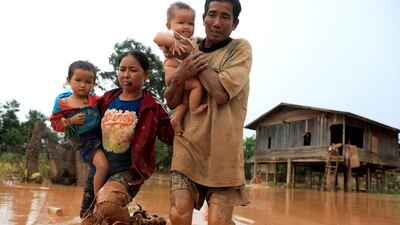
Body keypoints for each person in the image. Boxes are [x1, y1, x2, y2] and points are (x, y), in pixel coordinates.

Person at [165, 0, 252, 224]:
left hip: (224, 155)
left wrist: (192, 56)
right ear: (203, 18)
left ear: (235, 23)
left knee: (218, 222)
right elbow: (172, 100)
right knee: (178, 213)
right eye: (211, 15)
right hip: (188, 147)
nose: (216, 22)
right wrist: (181, 73)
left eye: (225, 17)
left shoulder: (239, 48)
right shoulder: (184, 46)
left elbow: (220, 92)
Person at [79, 50, 175, 222]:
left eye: (132, 70)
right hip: (98, 171)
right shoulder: (106, 100)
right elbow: (87, 126)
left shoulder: (153, 106)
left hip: (128, 172)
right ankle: (139, 220)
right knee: (88, 219)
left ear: (146, 74)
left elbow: (170, 137)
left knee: (108, 203)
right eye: (122, 69)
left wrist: (182, 115)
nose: (125, 74)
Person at [50, 60, 109, 196]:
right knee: (102, 165)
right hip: (85, 141)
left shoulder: (94, 100)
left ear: (93, 83)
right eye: (78, 80)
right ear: (69, 80)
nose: (83, 85)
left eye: (88, 82)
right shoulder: (63, 103)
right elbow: (55, 124)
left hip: (102, 136)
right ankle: (98, 200)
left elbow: (109, 104)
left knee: (110, 164)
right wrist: (70, 121)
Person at [154, 1, 207, 135]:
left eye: (191, 24)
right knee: (196, 86)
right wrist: (172, 42)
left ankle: (176, 119)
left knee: (184, 100)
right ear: (169, 25)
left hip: (184, 77)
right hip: (173, 75)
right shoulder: (172, 35)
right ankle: (194, 109)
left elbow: (199, 40)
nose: (186, 27)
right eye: (181, 23)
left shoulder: (192, 39)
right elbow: (156, 38)